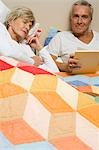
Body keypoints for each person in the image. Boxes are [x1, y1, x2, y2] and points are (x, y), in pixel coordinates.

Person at [0, 7, 59, 73]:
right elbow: (6, 52)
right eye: (24, 22)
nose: (28, 28)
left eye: (30, 26)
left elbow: (55, 71)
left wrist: (39, 48)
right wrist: (32, 61)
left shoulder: (24, 46)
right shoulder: (1, 29)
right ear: (11, 21)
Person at [47, 0, 99, 73]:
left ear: (90, 20)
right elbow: (47, 61)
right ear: (71, 19)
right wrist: (66, 67)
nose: (79, 21)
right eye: (76, 16)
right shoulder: (61, 37)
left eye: (84, 17)